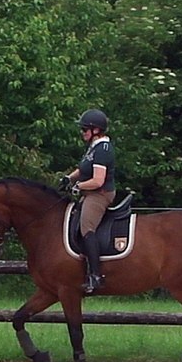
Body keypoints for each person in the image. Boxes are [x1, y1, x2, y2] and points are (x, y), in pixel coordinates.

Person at [60, 108, 116, 293]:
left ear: (96, 130)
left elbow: (97, 180)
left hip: (100, 194)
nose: (82, 132)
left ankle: (95, 275)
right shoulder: (93, 147)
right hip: (90, 192)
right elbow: (83, 168)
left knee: (87, 228)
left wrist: (79, 186)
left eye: (85, 129)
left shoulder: (103, 149)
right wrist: (69, 178)